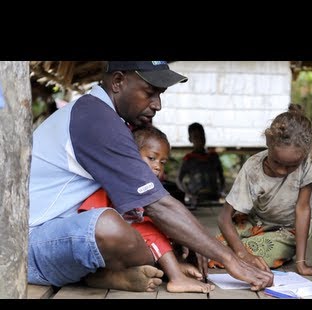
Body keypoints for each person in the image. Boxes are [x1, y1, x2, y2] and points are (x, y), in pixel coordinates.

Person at [28, 61, 273, 292]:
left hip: (56, 236)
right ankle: (113, 274)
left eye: (160, 94)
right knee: (107, 227)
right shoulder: (96, 119)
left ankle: (111, 274)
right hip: (29, 246)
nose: (157, 104)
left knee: (147, 226)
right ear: (117, 82)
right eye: (149, 92)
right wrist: (230, 259)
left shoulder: (103, 115)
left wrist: (191, 239)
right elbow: (157, 205)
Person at [78, 126, 214, 293]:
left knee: (164, 228)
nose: (157, 167)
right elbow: (88, 219)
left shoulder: (148, 190)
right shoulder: (112, 183)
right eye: (152, 158)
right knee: (150, 229)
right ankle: (176, 277)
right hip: (101, 250)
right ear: (131, 156)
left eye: (162, 162)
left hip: (128, 250)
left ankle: (170, 268)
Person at [212, 104, 312, 275]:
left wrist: (301, 263)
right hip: (255, 221)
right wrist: (241, 253)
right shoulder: (252, 169)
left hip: (289, 229)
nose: (282, 171)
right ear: (268, 141)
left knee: (261, 253)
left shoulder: (310, 153)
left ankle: (253, 250)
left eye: (291, 166)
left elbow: (303, 208)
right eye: (276, 162)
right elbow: (224, 218)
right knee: (210, 247)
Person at [176, 122, 225, 209]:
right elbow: (178, 180)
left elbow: (222, 177)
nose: (200, 140)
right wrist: (187, 193)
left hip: (214, 197)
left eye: (202, 136)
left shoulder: (213, 157)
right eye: (196, 137)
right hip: (196, 199)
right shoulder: (188, 159)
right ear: (190, 139)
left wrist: (221, 191)